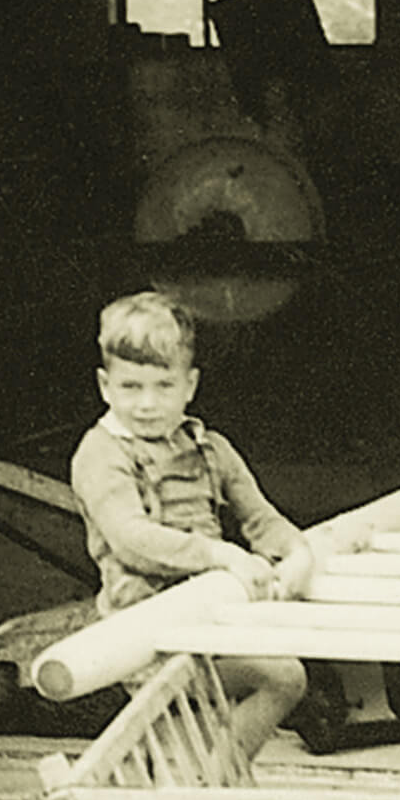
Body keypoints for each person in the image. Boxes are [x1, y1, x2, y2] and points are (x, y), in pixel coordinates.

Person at [70, 290, 312, 759]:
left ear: (190, 385)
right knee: (281, 677)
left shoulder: (210, 448)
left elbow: (262, 520)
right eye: (130, 387)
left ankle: (213, 793)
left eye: (163, 386)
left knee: (284, 678)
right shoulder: (102, 453)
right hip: (147, 638)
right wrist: (219, 554)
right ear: (105, 386)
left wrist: (297, 552)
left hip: (213, 623)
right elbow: (130, 538)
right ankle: (212, 796)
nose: (146, 404)